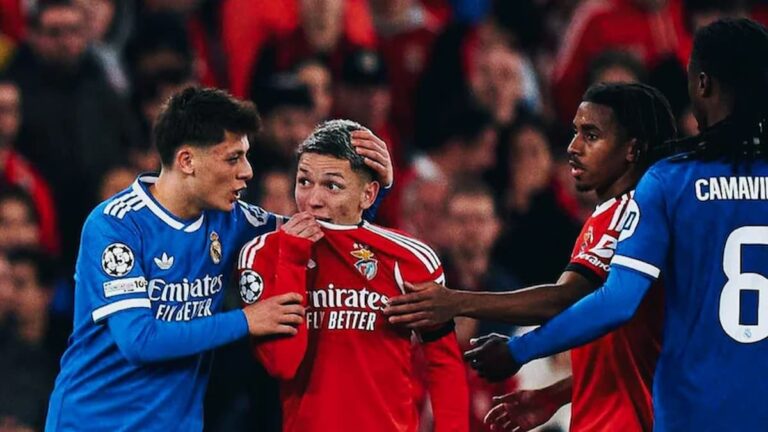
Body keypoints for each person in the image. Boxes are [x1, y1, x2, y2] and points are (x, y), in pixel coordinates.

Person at [463, 18, 768, 431]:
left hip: (692, 414)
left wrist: (521, 350)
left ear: (702, 84)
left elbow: (616, 302)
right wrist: (556, 393)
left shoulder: (670, 181)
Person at [45, 87, 393, 431]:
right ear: (187, 161)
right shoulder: (116, 225)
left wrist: (374, 190)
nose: (247, 172)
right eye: (232, 158)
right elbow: (139, 340)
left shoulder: (232, 220)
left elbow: (326, 236)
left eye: (246, 156)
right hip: (93, 423)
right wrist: (246, 320)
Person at [386, 82, 677, 431]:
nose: (572, 147)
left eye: (591, 135)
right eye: (574, 133)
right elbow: (639, 351)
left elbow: (564, 298)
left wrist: (456, 303)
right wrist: (557, 394)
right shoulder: (643, 211)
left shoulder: (629, 212)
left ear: (632, 149)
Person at [237, 119, 469, 431]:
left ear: (368, 194)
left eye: (332, 185)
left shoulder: (410, 257)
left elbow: (443, 362)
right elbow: (283, 362)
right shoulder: (264, 253)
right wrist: (292, 258)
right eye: (304, 181)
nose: (313, 199)